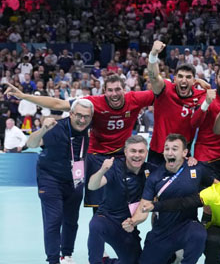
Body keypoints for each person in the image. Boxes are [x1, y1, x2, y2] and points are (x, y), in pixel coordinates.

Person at [5, 77, 155, 211]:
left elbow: (162, 91)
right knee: (98, 210)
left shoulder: (135, 98)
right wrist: (23, 96)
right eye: (110, 90)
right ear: (104, 91)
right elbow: (58, 103)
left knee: (126, 206)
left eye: (118, 89)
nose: (114, 93)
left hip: (123, 156)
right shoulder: (94, 103)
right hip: (97, 156)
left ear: (125, 89)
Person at [129, 134, 216, 264]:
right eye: (167, 149)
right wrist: (133, 221)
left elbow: (219, 188)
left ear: (185, 153)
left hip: (186, 226)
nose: (169, 153)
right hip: (162, 231)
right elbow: (145, 206)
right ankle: (172, 257)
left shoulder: (196, 169)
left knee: (199, 233)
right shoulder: (155, 177)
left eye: (174, 149)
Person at [26, 99, 93, 264]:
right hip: (50, 178)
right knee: (54, 219)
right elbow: (31, 144)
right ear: (70, 114)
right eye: (78, 115)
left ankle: (67, 257)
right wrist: (42, 129)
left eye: (86, 117)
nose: (81, 120)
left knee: (72, 220)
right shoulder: (55, 127)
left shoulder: (91, 129)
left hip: (76, 179)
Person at [86, 135, 156, 264]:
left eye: (141, 151)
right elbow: (92, 186)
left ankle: (106, 262)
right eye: (132, 151)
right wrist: (102, 169)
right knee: (95, 224)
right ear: (125, 152)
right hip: (108, 220)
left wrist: (190, 161)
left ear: (146, 153)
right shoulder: (114, 167)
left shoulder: (150, 171)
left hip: (128, 226)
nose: (137, 155)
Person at [146, 41, 207, 165]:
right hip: (159, 151)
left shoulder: (200, 95)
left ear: (194, 80)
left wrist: (207, 86)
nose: (184, 80)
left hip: (183, 153)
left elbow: (214, 96)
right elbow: (154, 77)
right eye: (180, 76)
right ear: (175, 78)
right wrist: (153, 54)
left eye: (188, 77)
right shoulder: (165, 89)